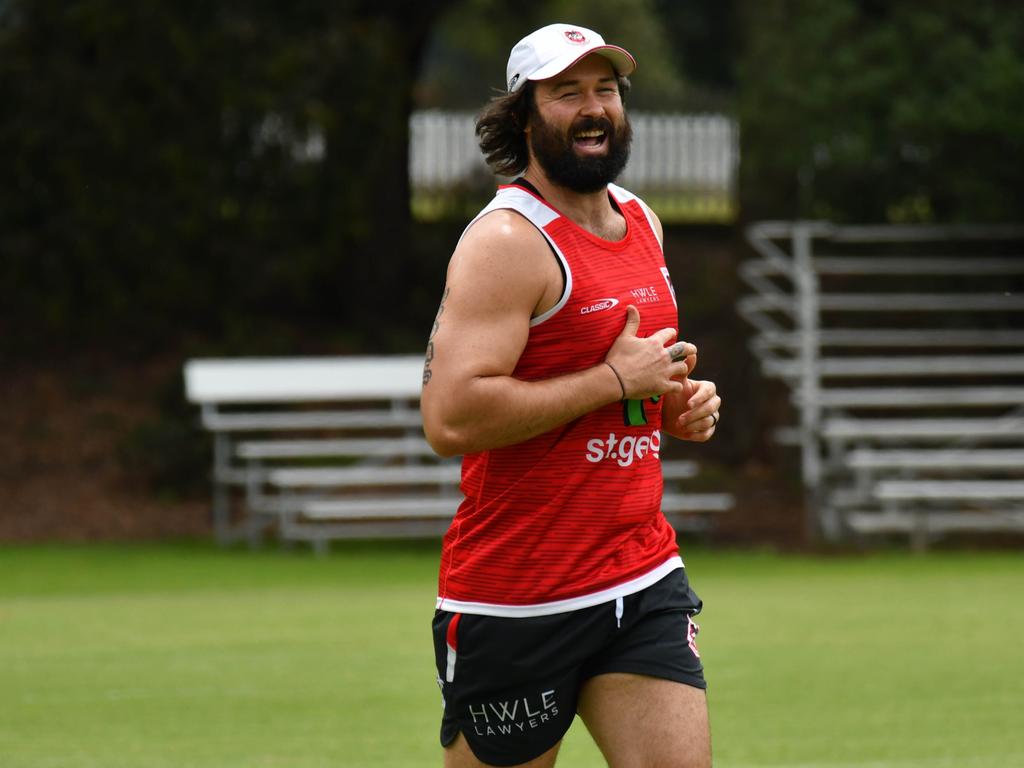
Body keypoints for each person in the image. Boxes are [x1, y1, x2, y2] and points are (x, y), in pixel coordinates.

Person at [421, 22, 721, 768]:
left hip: (639, 573)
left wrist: (671, 405)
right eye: (567, 93)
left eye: (605, 90)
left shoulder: (641, 221)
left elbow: (637, 377)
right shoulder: (506, 242)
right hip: (519, 594)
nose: (594, 107)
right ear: (524, 117)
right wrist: (613, 382)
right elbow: (450, 415)